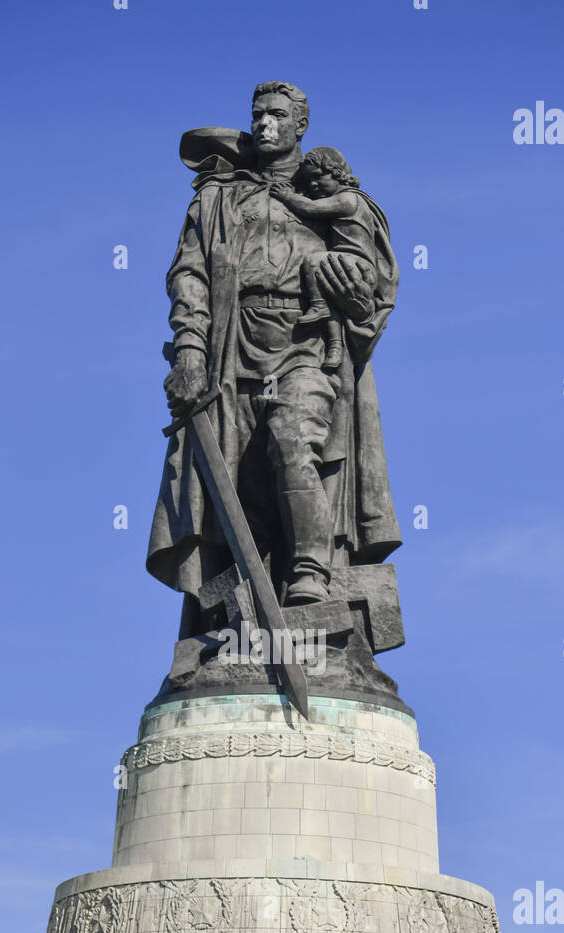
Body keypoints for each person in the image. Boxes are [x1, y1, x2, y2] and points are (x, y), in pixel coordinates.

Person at [150, 80, 402, 616]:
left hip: (306, 343)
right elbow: (189, 274)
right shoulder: (218, 196)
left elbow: (373, 284)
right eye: (257, 114)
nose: (265, 123)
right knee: (240, 482)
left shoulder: (327, 193)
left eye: (277, 115)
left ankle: (312, 572)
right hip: (230, 348)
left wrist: (350, 287)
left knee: (293, 441)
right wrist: (191, 349)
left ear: (299, 126)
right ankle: (246, 602)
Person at [270, 147, 378, 370]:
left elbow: (311, 208)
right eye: (309, 180)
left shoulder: (348, 199)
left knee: (313, 261)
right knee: (332, 300)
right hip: (346, 264)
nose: (313, 185)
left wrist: (287, 196)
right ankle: (335, 347)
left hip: (356, 264)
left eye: (319, 177)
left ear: (337, 173)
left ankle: (318, 306)